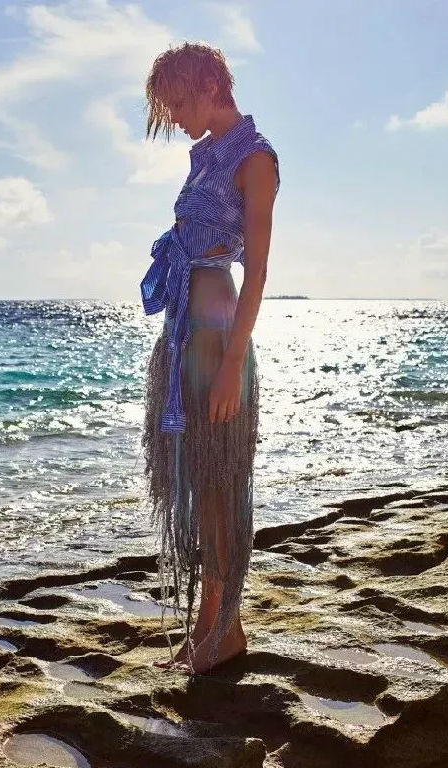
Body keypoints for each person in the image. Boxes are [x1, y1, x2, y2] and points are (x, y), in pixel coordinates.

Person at [140, 41, 280, 675]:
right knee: (199, 484)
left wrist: (231, 364)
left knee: (221, 485)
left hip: (219, 340)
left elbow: (257, 274)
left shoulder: (255, 158)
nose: (172, 116)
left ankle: (224, 628)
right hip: (182, 337)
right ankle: (213, 625)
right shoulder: (202, 160)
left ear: (206, 86)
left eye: (176, 102)